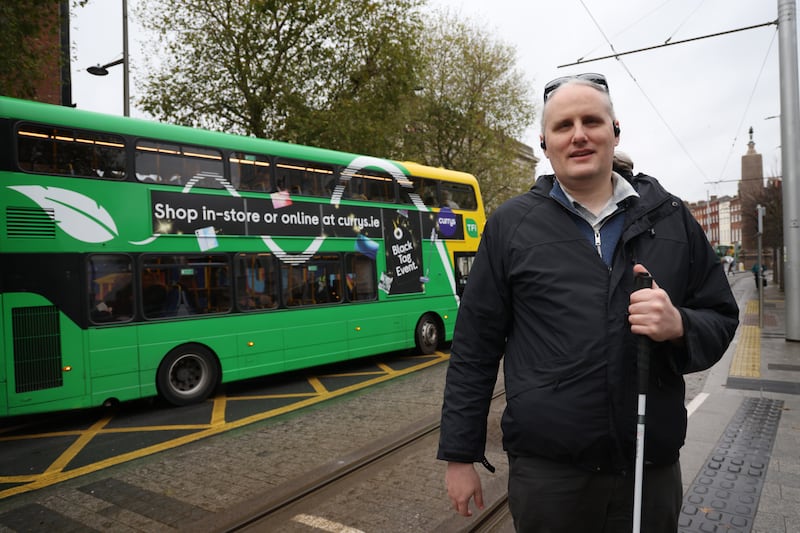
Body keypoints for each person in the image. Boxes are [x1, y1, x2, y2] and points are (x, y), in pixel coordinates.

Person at [437, 73, 739, 532]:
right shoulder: (511, 227)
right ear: (545, 143)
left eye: (591, 121)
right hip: (549, 476)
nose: (578, 134)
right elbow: (474, 350)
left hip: (648, 468)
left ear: (615, 131)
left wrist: (679, 324)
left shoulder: (672, 218)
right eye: (563, 126)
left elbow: (720, 316)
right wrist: (460, 455)